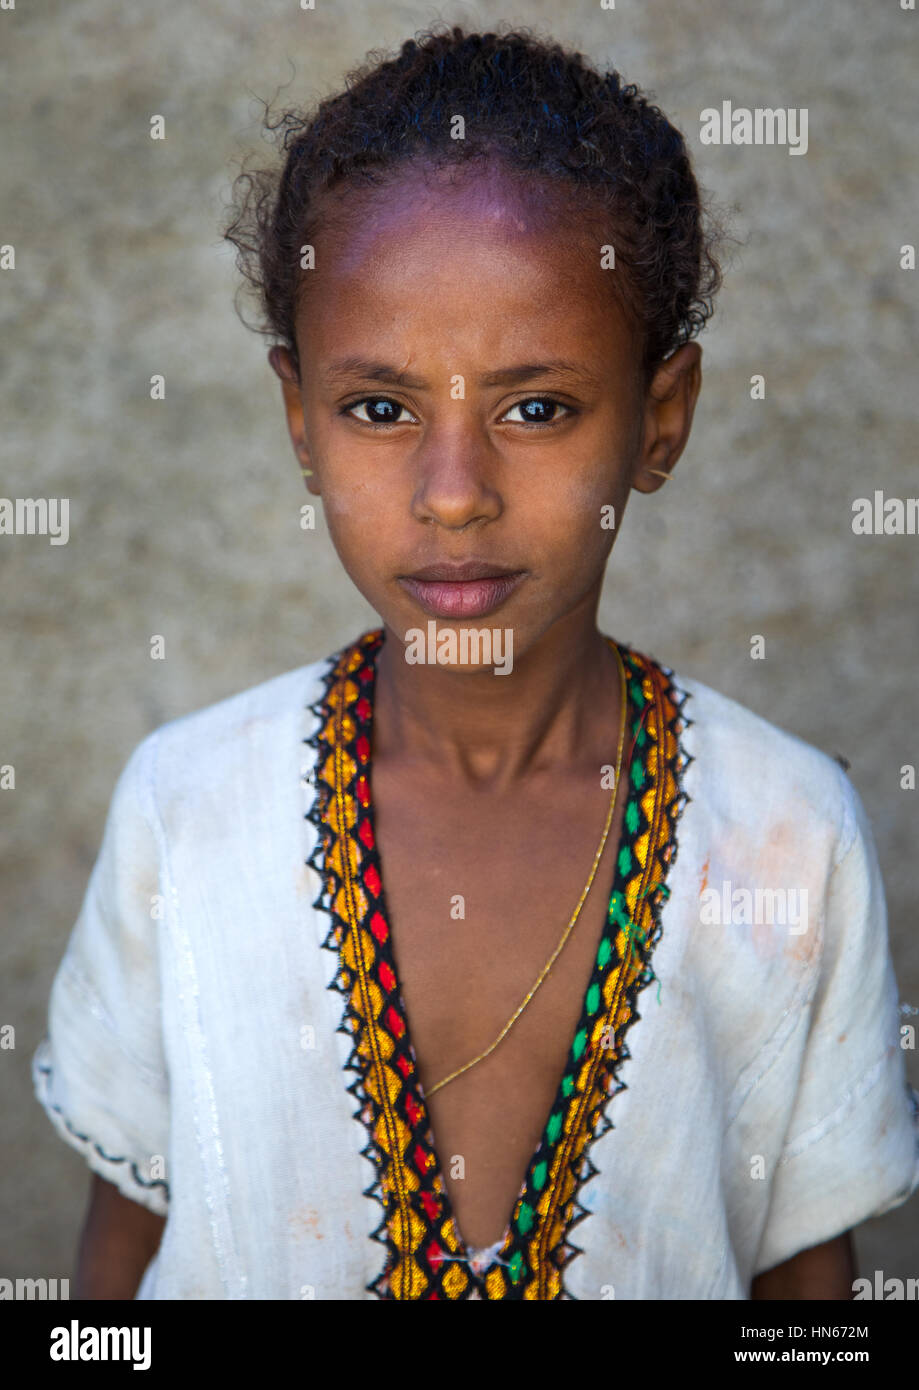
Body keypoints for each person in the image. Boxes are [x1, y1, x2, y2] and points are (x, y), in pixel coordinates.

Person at [33, 24, 919, 1300]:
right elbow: (115, 1270)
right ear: (299, 419)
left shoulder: (782, 833)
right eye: (379, 408)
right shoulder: (189, 808)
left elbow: (806, 1291)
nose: (453, 494)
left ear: (660, 421)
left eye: (537, 408)